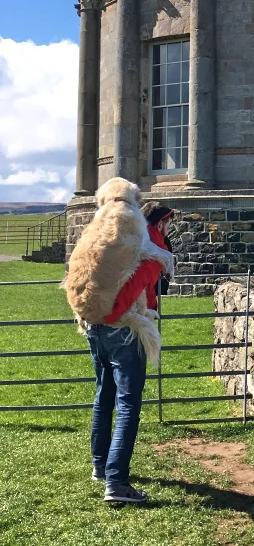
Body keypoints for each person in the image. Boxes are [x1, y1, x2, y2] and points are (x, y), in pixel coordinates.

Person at [86, 208, 173, 504]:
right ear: (161, 222)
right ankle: (117, 483)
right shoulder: (149, 250)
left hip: (95, 326)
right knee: (127, 405)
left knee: (104, 395)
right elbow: (137, 285)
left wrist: (100, 315)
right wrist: (126, 314)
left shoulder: (115, 241)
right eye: (169, 223)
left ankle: (100, 465)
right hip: (124, 328)